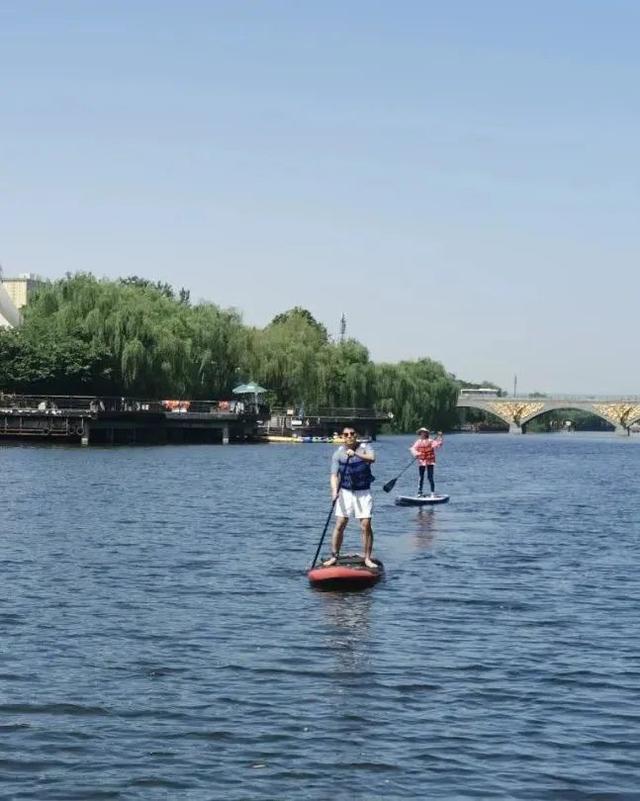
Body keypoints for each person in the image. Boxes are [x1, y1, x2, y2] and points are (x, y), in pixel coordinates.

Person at [323, 428, 377, 569]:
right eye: (346, 435)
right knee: (340, 523)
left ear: (356, 436)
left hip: (363, 492)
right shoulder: (338, 454)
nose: (349, 436)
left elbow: (372, 458)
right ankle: (334, 556)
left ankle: (367, 558)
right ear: (342, 437)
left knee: (365, 525)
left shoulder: (365, 448)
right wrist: (334, 492)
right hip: (345, 491)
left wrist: (357, 454)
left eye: (352, 434)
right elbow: (334, 475)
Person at [410, 427, 444, 497]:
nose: (422, 433)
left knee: (430, 477)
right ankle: (419, 492)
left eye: (424, 432)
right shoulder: (418, 442)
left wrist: (440, 437)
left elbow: (438, 444)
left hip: (430, 461)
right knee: (421, 477)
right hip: (422, 462)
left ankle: (432, 493)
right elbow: (413, 448)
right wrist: (416, 454)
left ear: (426, 434)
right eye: (421, 432)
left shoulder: (431, 441)